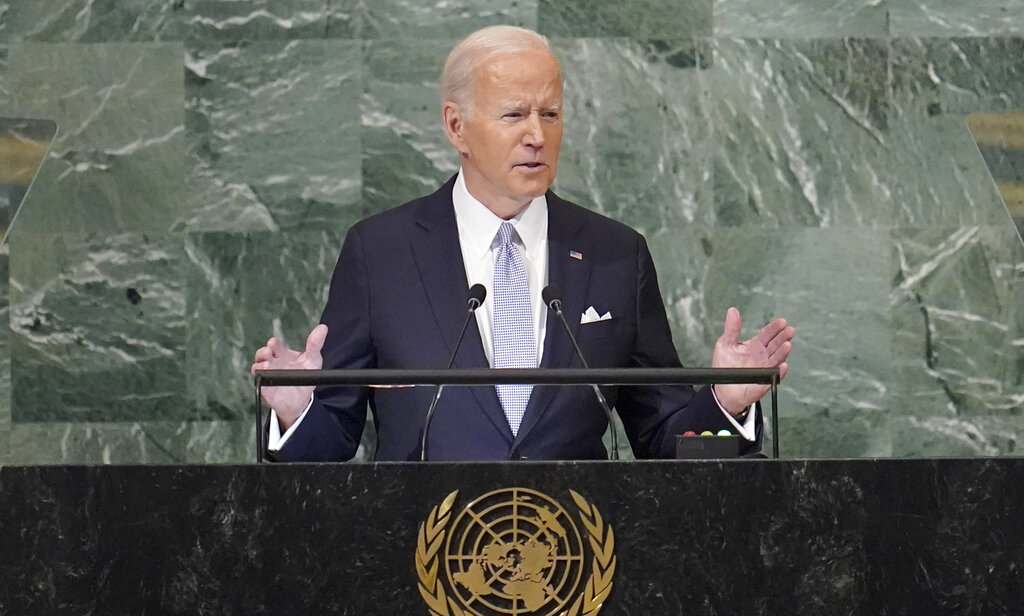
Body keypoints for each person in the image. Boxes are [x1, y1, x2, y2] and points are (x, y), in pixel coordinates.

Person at [251, 26, 795, 462]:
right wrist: (295, 413)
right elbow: (330, 444)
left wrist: (725, 403)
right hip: (421, 549)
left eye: (550, 114)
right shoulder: (381, 252)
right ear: (456, 127)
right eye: (514, 115)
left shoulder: (614, 254)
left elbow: (663, 439)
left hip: (576, 554)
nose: (537, 135)